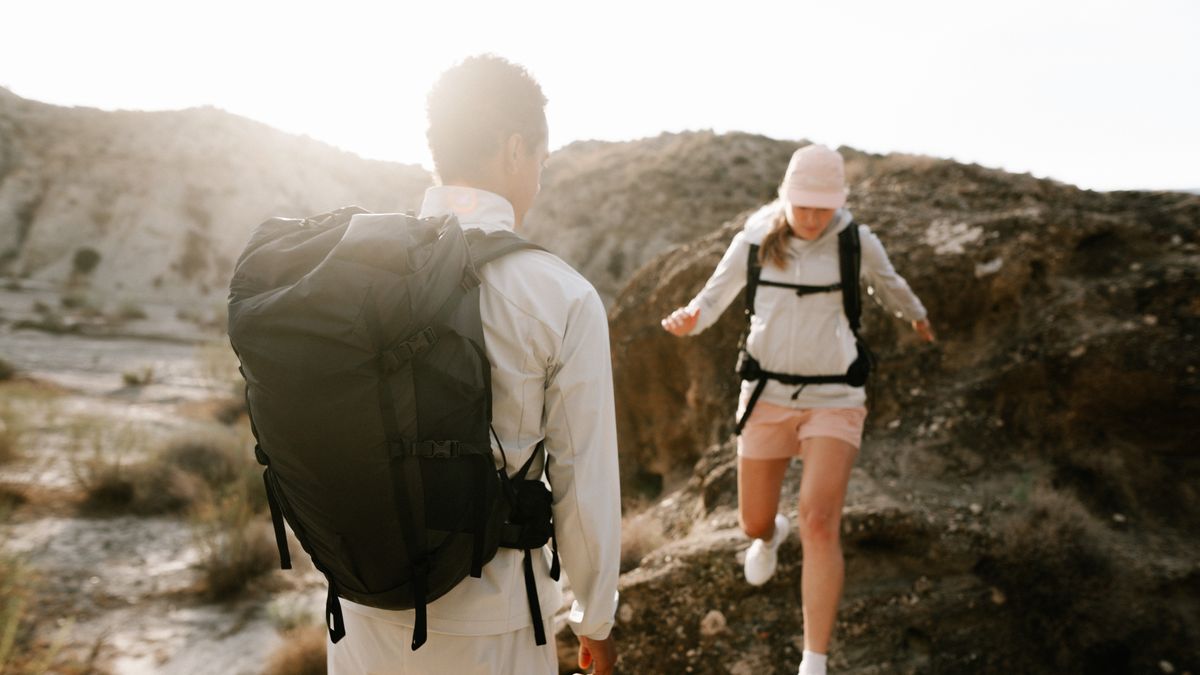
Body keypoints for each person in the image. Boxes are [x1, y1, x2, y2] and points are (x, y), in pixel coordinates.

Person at [326, 55, 620, 675]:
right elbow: (584, 490)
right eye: (541, 161)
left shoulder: (350, 272)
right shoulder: (559, 294)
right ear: (516, 149)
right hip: (494, 623)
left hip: (359, 611)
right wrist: (595, 620)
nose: (538, 178)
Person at [661, 144, 933, 675]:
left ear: (839, 202)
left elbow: (891, 286)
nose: (810, 218)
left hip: (835, 396)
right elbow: (712, 298)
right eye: (802, 206)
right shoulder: (756, 238)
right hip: (766, 395)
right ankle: (769, 536)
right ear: (785, 199)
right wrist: (690, 317)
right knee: (754, 522)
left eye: (821, 207)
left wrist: (917, 317)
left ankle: (814, 660)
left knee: (820, 520)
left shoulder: (856, 242)